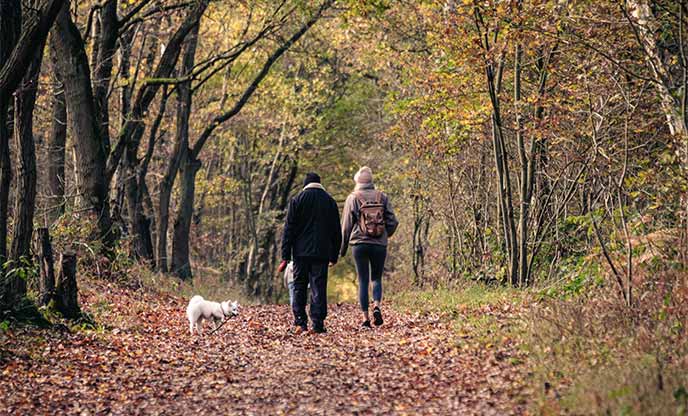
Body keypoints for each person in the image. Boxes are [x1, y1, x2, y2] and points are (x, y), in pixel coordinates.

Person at [279, 173, 341, 334]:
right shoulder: (329, 201)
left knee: (299, 286)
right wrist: (334, 255)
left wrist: (285, 254)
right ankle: (318, 323)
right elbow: (336, 231)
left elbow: (289, 229)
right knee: (318, 286)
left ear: (305, 184)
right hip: (322, 252)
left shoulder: (297, 200)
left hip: (300, 252)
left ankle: (300, 322)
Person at [340, 167, 398, 328]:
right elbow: (393, 221)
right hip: (379, 244)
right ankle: (377, 306)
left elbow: (345, 226)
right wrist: (385, 235)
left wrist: (342, 250)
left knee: (363, 280)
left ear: (357, 182)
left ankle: (365, 319)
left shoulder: (353, 198)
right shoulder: (382, 197)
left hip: (359, 244)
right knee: (376, 278)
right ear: (371, 181)